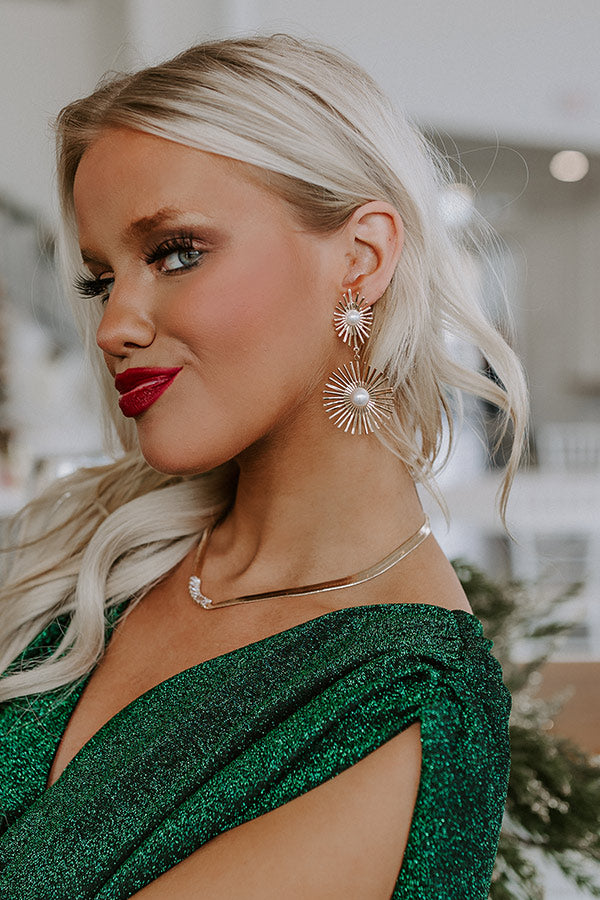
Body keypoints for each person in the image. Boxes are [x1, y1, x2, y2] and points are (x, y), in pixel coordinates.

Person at [0, 34, 527, 899]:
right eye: (101, 280)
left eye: (176, 252)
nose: (114, 326)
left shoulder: (400, 695)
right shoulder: (94, 554)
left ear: (360, 259)